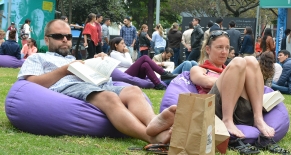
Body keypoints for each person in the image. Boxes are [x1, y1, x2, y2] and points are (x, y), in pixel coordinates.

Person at [17, 19, 176, 144]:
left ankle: (154, 122)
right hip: (69, 87)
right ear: (47, 39)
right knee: (109, 97)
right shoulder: (38, 58)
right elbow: (32, 83)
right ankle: (150, 137)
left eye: (68, 36)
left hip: (94, 84)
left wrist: (97, 62)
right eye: (59, 36)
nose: (65, 40)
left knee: (133, 90)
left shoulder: (73, 58)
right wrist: (65, 69)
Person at [190, 30, 275, 138]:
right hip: (215, 110)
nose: (224, 52)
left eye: (227, 48)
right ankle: (227, 120)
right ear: (208, 49)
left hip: (240, 111)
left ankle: (258, 119)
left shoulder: (236, 69)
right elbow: (206, 82)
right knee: (239, 61)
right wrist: (235, 80)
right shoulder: (198, 69)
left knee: (251, 60)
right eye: (219, 47)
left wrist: (238, 78)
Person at [109, 37, 177, 90]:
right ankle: (163, 73)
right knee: (144, 57)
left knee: (145, 65)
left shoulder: (122, 53)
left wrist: (126, 53)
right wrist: (127, 53)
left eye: (124, 43)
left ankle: (158, 85)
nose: (124, 45)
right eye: (122, 43)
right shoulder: (114, 54)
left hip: (131, 74)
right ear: (116, 45)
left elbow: (130, 63)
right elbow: (129, 63)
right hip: (125, 75)